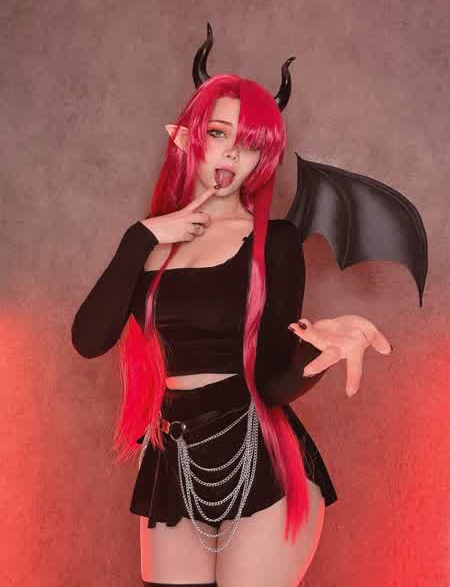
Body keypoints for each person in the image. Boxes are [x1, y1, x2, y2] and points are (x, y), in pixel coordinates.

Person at [71, 73, 382, 586]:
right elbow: (89, 340)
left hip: (260, 456)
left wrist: (317, 356)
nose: (232, 154)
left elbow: (272, 385)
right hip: (175, 458)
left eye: (250, 144)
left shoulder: (275, 243)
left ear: (264, 160)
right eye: (218, 133)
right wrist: (141, 237)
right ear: (185, 136)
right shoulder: (151, 243)